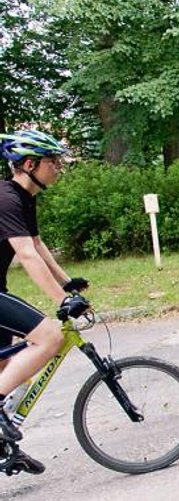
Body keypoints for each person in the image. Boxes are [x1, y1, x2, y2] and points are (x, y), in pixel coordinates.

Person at [0, 129, 90, 475]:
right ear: (29, 164)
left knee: (5, 372)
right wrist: (62, 302)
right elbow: (25, 255)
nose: (59, 168)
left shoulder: (26, 198)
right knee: (50, 338)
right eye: (53, 162)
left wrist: (67, 284)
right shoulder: (6, 199)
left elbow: (37, 246)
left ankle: (4, 445)